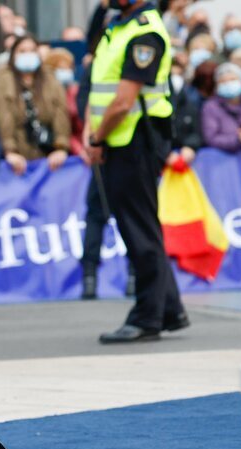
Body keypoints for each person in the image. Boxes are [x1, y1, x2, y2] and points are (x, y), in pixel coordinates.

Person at [86, 0, 188, 343]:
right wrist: (93, 134)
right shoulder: (118, 26)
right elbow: (98, 88)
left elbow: (123, 101)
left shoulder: (145, 33)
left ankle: (147, 317)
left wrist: (97, 138)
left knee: (139, 227)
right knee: (141, 223)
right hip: (118, 140)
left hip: (136, 140)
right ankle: (169, 308)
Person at [0, 35, 71, 174]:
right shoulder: (3, 80)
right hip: (17, 156)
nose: (28, 55)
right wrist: (10, 151)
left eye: (32, 50)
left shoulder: (49, 77)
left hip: (48, 153)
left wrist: (61, 147)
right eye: (22, 51)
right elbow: (3, 117)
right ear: (13, 55)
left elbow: (60, 113)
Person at [201, 63, 241, 152]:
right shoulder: (210, 107)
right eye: (223, 81)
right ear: (217, 85)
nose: (228, 84)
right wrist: (239, 139)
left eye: (233, 79)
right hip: (224, 159)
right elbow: (210, 138)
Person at [44, 48, 84, 154]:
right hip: (56, 150)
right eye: (61, 68)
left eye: (69, 68)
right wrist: (77, 148)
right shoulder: (45, 95)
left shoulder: (76, 91)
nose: (66, 72)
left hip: (81, 147)